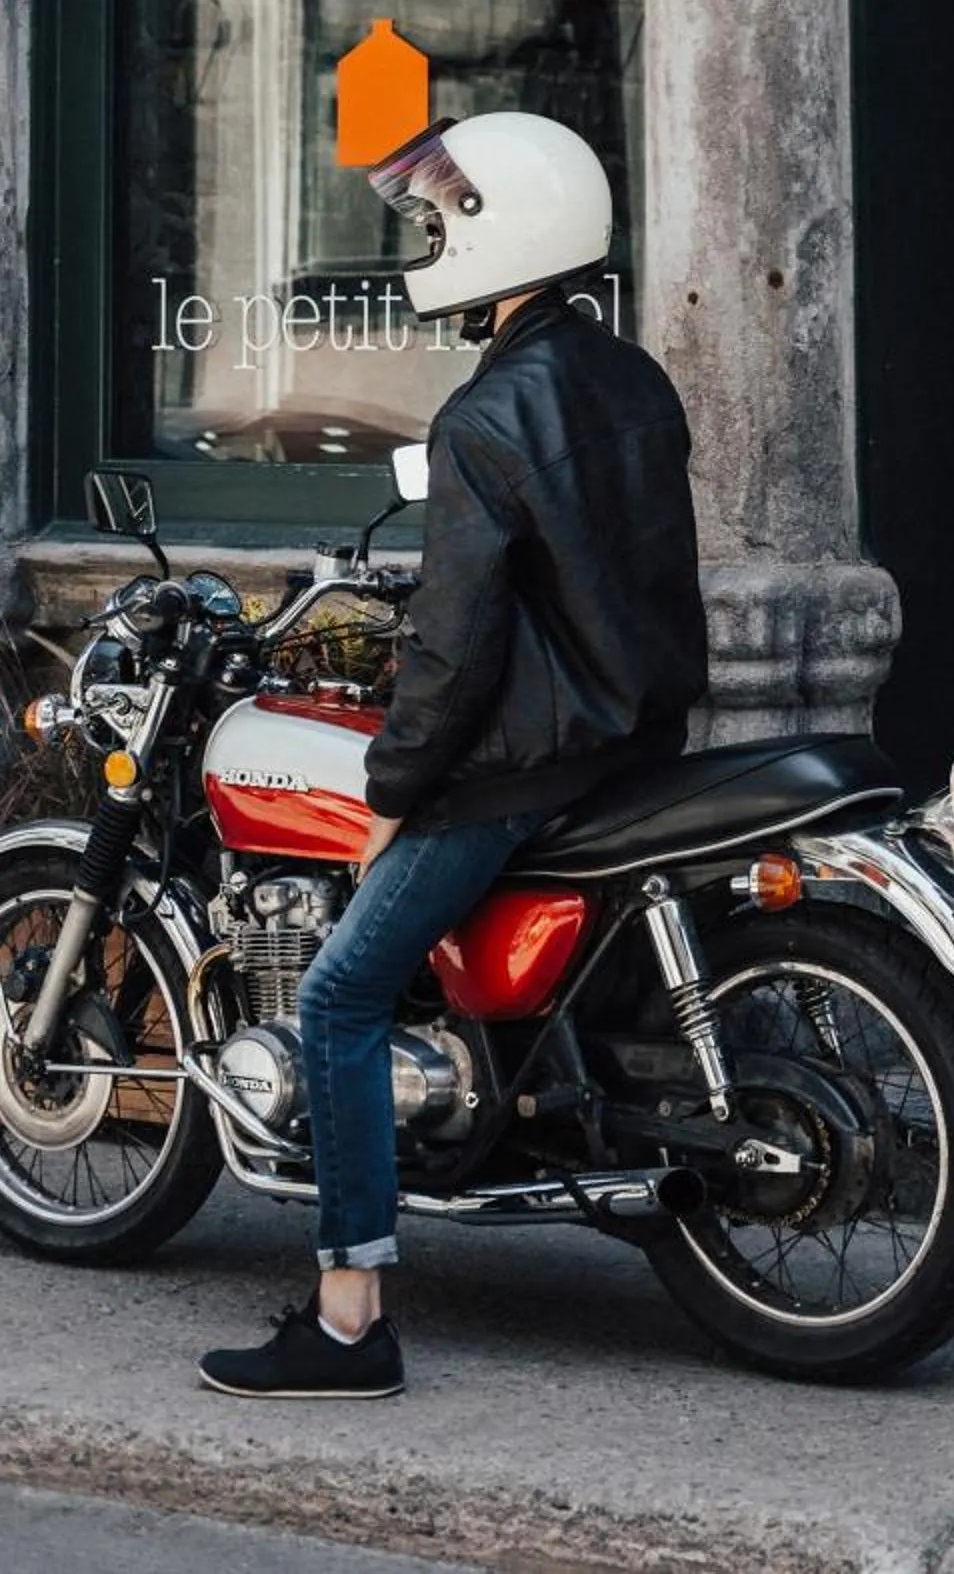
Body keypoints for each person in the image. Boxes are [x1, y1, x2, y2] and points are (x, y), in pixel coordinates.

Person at [198, 111, 707, 1401]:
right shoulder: (631, 378)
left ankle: (351, 1316)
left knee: (337, 998)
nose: (427, 237)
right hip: (632, 745)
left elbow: (457, 639)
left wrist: (392, 791)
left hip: (519, 770)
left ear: (508, 232)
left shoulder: (489, 416)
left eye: (442, 218)